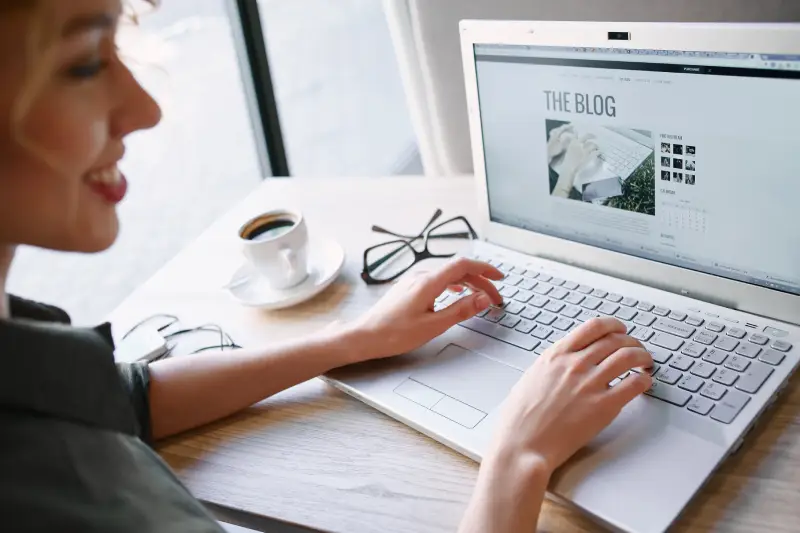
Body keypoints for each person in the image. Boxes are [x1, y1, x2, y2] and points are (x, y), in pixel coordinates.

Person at [0, 2, 654, 532]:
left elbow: (129, 397)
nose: (146, 108)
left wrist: (354, 340)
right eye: (85, 64)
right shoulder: (44, 495)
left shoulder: (24, 361)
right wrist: (518, 458)